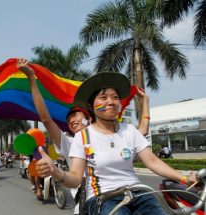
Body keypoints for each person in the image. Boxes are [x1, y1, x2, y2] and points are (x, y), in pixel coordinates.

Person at [36, 72, 197, 215]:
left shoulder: (130, 130)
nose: (111, 102)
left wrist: (183, 178)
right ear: (91, 106)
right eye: (103, 97)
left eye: (115, 97)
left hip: (139, 193)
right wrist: (55, 171)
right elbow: (75, 179)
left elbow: (152, 161)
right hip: (103, 198)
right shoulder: (83, 137)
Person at [17, 59, 150, 214]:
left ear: (89, 116)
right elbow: (46, 119)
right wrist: (32, 79)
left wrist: (145, 102)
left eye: (76, 116)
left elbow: (143, 130)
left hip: (126, 198)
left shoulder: (117, 133)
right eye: (69, 120)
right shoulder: (70, 142)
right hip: (90, 204)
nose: (72, 120)